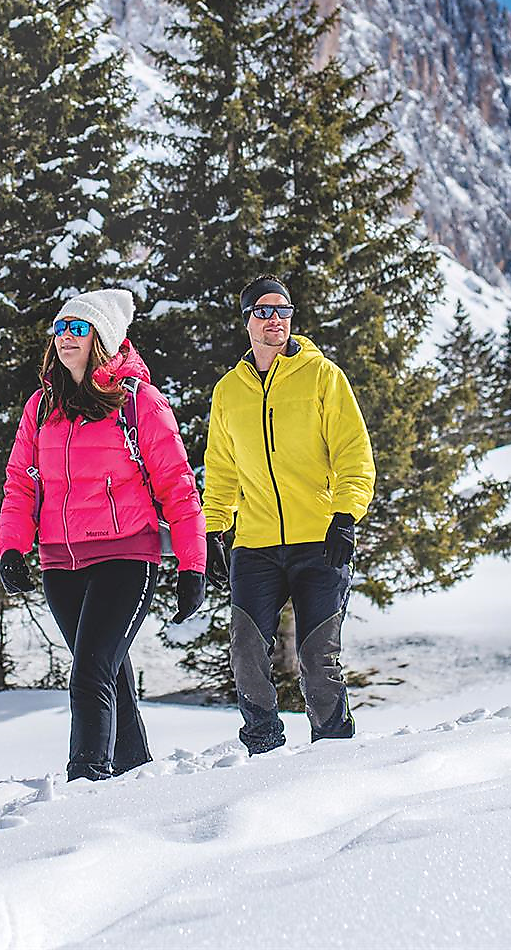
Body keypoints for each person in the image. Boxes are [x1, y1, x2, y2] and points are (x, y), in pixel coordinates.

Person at [0, 288, 208, 781]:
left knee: (89, 672)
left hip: (125, 557)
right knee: (108, 671)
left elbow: (178, 486)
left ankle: (86, 780)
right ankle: (135, 772)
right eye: (61, 328)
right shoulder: (41, 405)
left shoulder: (138, 402)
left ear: (103, 338)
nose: (66, 337)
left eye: (79, 328)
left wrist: (192, 564)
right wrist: (11, 547)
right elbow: (20, 482)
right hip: (60, 563)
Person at [202, 276, 376, 752]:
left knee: (318, 658)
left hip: (320, 540)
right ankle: (263, 748)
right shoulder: (228, 392)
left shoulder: (323, 377)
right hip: (255, 545)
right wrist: (215, 530)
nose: (274, 319)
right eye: (263, 311)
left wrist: (345, 515)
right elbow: (220, 470)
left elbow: (352, 454)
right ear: (247, 321)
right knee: (244, 652)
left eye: (282, 310)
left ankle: (334, 750)